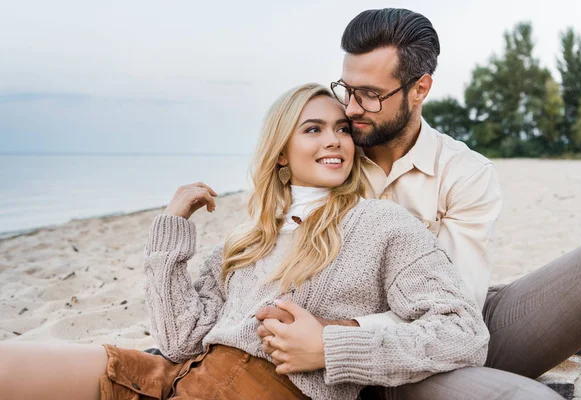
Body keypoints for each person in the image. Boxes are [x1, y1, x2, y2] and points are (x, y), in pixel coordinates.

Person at [0, 84, 492, 400]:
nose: (335, 140)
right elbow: (180, 340)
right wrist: (173, 229)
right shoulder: (248, 240)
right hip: (175, 378)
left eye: (342, 129)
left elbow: (463, 333)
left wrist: (332, 347)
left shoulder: (383, 224)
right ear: (281, 153)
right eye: (313, 129)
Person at [257, 8, 581, 400]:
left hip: (443, 334)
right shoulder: (331, 158)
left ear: (419, 89)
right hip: (370, 367)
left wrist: (336, 334)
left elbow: (459, 311)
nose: (350, 109)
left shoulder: (465, 172)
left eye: (369, 95)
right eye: (346, 89)